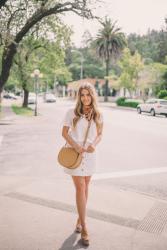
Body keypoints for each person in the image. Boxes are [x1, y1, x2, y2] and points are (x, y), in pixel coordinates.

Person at [61, 82, 103, 246]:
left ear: (92, 95)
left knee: (86, 186)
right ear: (79, 96)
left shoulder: (98, 114)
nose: (85, 98)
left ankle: (79, 219)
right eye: (82, 95)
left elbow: (100, 134)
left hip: (90, 155)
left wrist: (94, 144)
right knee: (80, 188)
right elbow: (64, 132)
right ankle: (85, 227)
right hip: (75, 153)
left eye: (88, 94)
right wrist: (75, 145)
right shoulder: (71, 112)